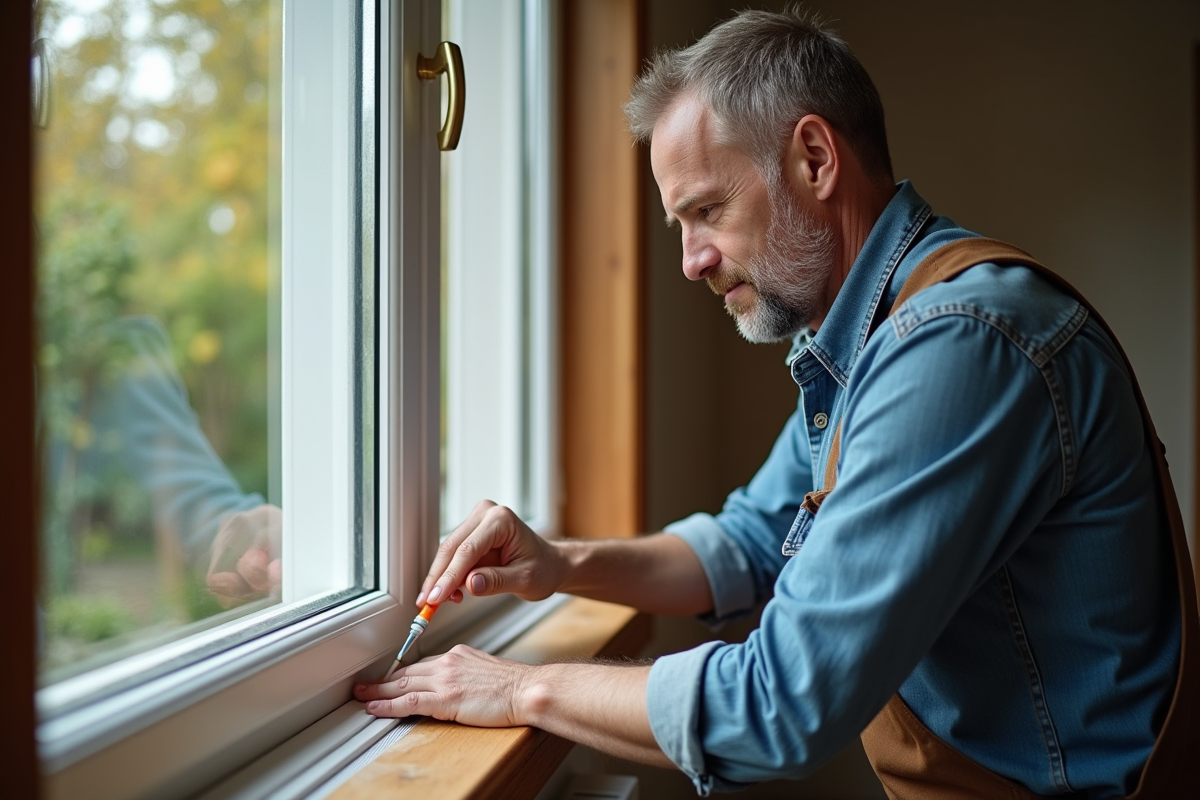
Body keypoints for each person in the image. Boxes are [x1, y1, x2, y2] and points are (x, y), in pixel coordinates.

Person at [355, 8, 1197, 797]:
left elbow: (782, 703)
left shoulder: (956, 346)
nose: (691, 260)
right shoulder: (870, 337)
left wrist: (519, 689)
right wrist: (561, 564)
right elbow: (751, 546)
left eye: (707, 210)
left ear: (815, 160)